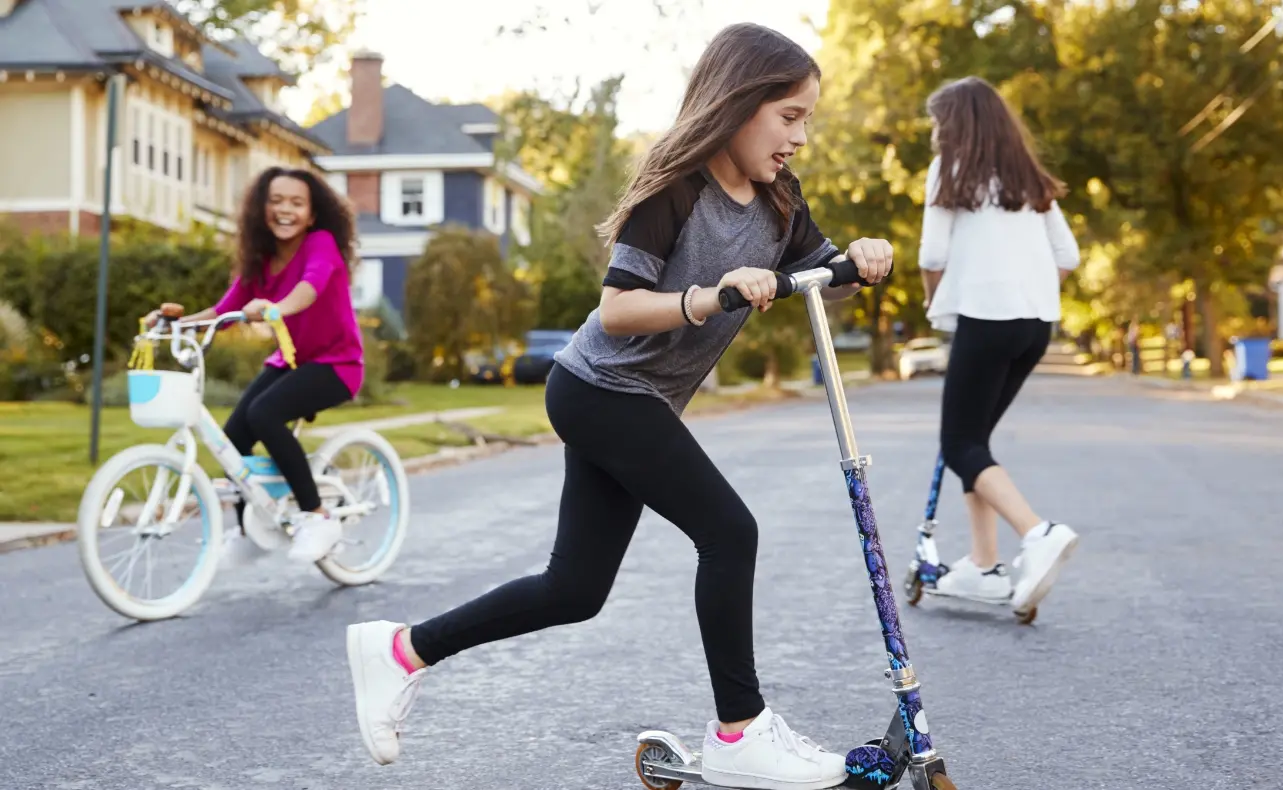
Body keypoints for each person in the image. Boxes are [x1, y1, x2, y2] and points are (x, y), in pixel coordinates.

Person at [344, 22, 893, 790]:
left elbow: (819, 270)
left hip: (635, 401)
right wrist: (711, 295)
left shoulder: (777, 200)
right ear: (739, 105)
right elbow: (617, 310)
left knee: (574, 590)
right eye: (790, 116)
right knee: (730, 532)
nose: (801, 137)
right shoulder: (674, 188)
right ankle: (740, 731)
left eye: (807, 119)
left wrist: (864, 260)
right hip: (600, 389)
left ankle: (401, 651)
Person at [916, 76, 1081, 620]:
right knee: (975, 442)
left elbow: (932, 255)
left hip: (986, 320)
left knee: (959, 442)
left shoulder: (950, 170)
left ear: (956, 124)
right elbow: (1068, 255)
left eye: (940, 123)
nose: (937, 134)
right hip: (1035, 325)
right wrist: (1026, 282)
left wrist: (934, 302)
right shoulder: (1027, 179)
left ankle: (1038, 533)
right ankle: (985, 566)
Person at [144, 166, 364, 565]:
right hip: (290, 361)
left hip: (336, 364)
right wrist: (172, 323)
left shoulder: (321, 244)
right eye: (276, 201)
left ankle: (317, 516)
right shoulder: (260, 262)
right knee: (232, 439)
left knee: (265, 414)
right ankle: (250, 528)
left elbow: (309, 289)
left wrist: (275, 309)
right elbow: (221, 310)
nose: (285, 210)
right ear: (261, 210)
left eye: (297, 203)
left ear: (312, 215)